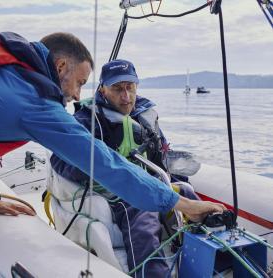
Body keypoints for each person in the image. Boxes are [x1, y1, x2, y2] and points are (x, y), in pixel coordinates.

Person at [0, 32, 224, 220]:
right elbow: (103, 162)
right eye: (80, 82)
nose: (79, 95)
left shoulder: (7, 67)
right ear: (61, 66)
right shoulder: (35, 103)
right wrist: (182, 204)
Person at [50, 59, 205, 277]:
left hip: (148, 183)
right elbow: (59, 159)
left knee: (186, 192)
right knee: (142, 212)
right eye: (117, 88)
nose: (126, 96)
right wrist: (100, 167)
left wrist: (178, 183)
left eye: (130, 87)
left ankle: (212, 264)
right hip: (114, 191)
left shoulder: (144, 116)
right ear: (103, 89)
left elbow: (161, 157)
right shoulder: (86, 120)